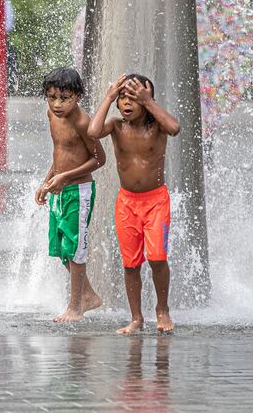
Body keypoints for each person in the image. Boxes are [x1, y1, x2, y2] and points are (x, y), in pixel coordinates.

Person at [88, 73, 181, 334]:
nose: (128, 103)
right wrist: (107, 97)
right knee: (131, 263)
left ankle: (162, 311)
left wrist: (149, 102)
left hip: (156, 202)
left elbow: (175, 128)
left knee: (157, 257)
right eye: (123, 97)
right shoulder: (117, 126)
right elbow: (93, 131)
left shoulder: (157, 127)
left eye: (135, 97)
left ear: (147, 99)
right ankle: (136, 318)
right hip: (127, 203)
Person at [35, 67, 105, 322]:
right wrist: (47, 182)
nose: (57, 104)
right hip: (58, 189)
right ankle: (87, 295)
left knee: (75, 249)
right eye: (51, 97)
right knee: (62, 248)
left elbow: (100, 159)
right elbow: (60, 154)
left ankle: (75, 307)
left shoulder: (82, 122)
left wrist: (65, 177)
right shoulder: (51, 115)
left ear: (78, 96)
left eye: (64, 98)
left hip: (79, 191)